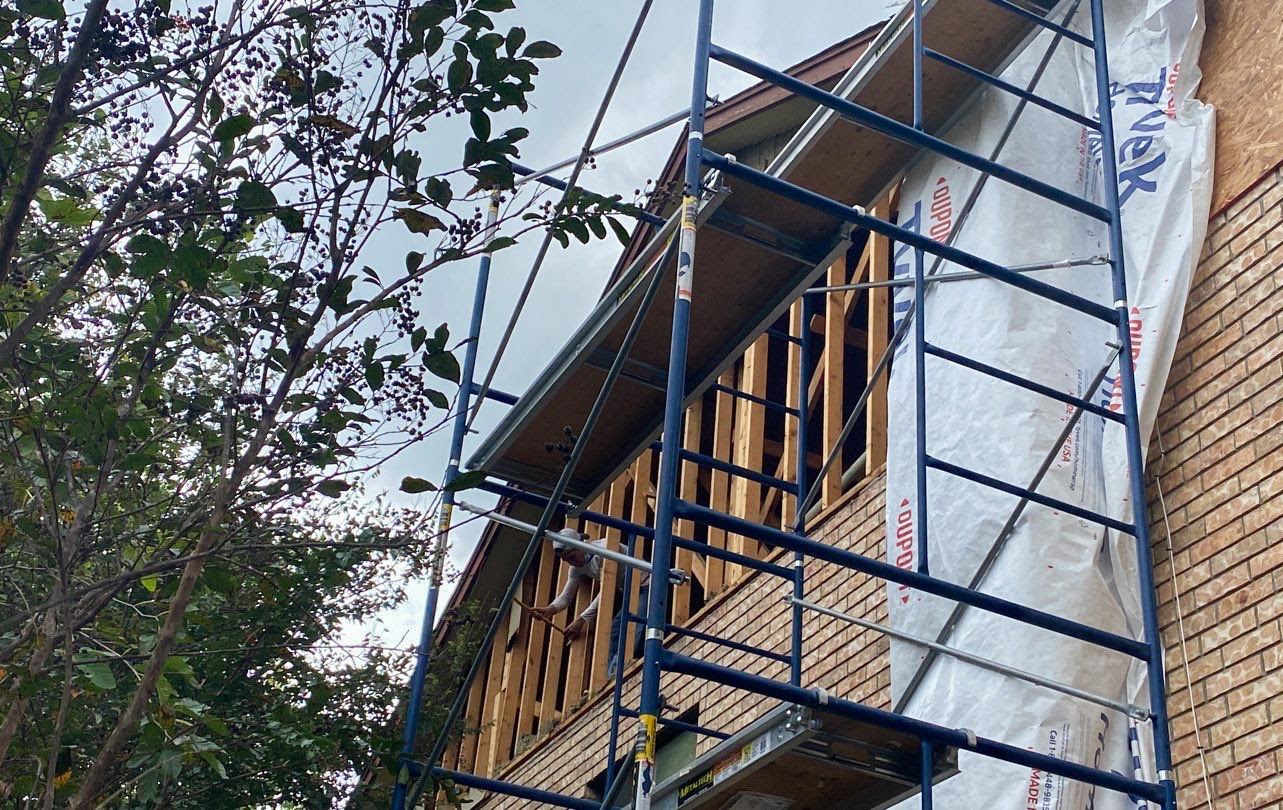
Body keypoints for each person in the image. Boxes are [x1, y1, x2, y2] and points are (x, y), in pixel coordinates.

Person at [529, 529, 646, 679]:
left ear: (580, 546)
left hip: (646, 584)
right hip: (631, 593)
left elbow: (606, 590)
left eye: (572, 557)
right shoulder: (576, 569)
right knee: (615, 631)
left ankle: (619, 673)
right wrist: (550, 610)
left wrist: (581, 620)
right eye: (567, 561)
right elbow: (566, 596)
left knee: (632, 627)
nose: (572, 562)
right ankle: (611, 677)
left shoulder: (604, 549)